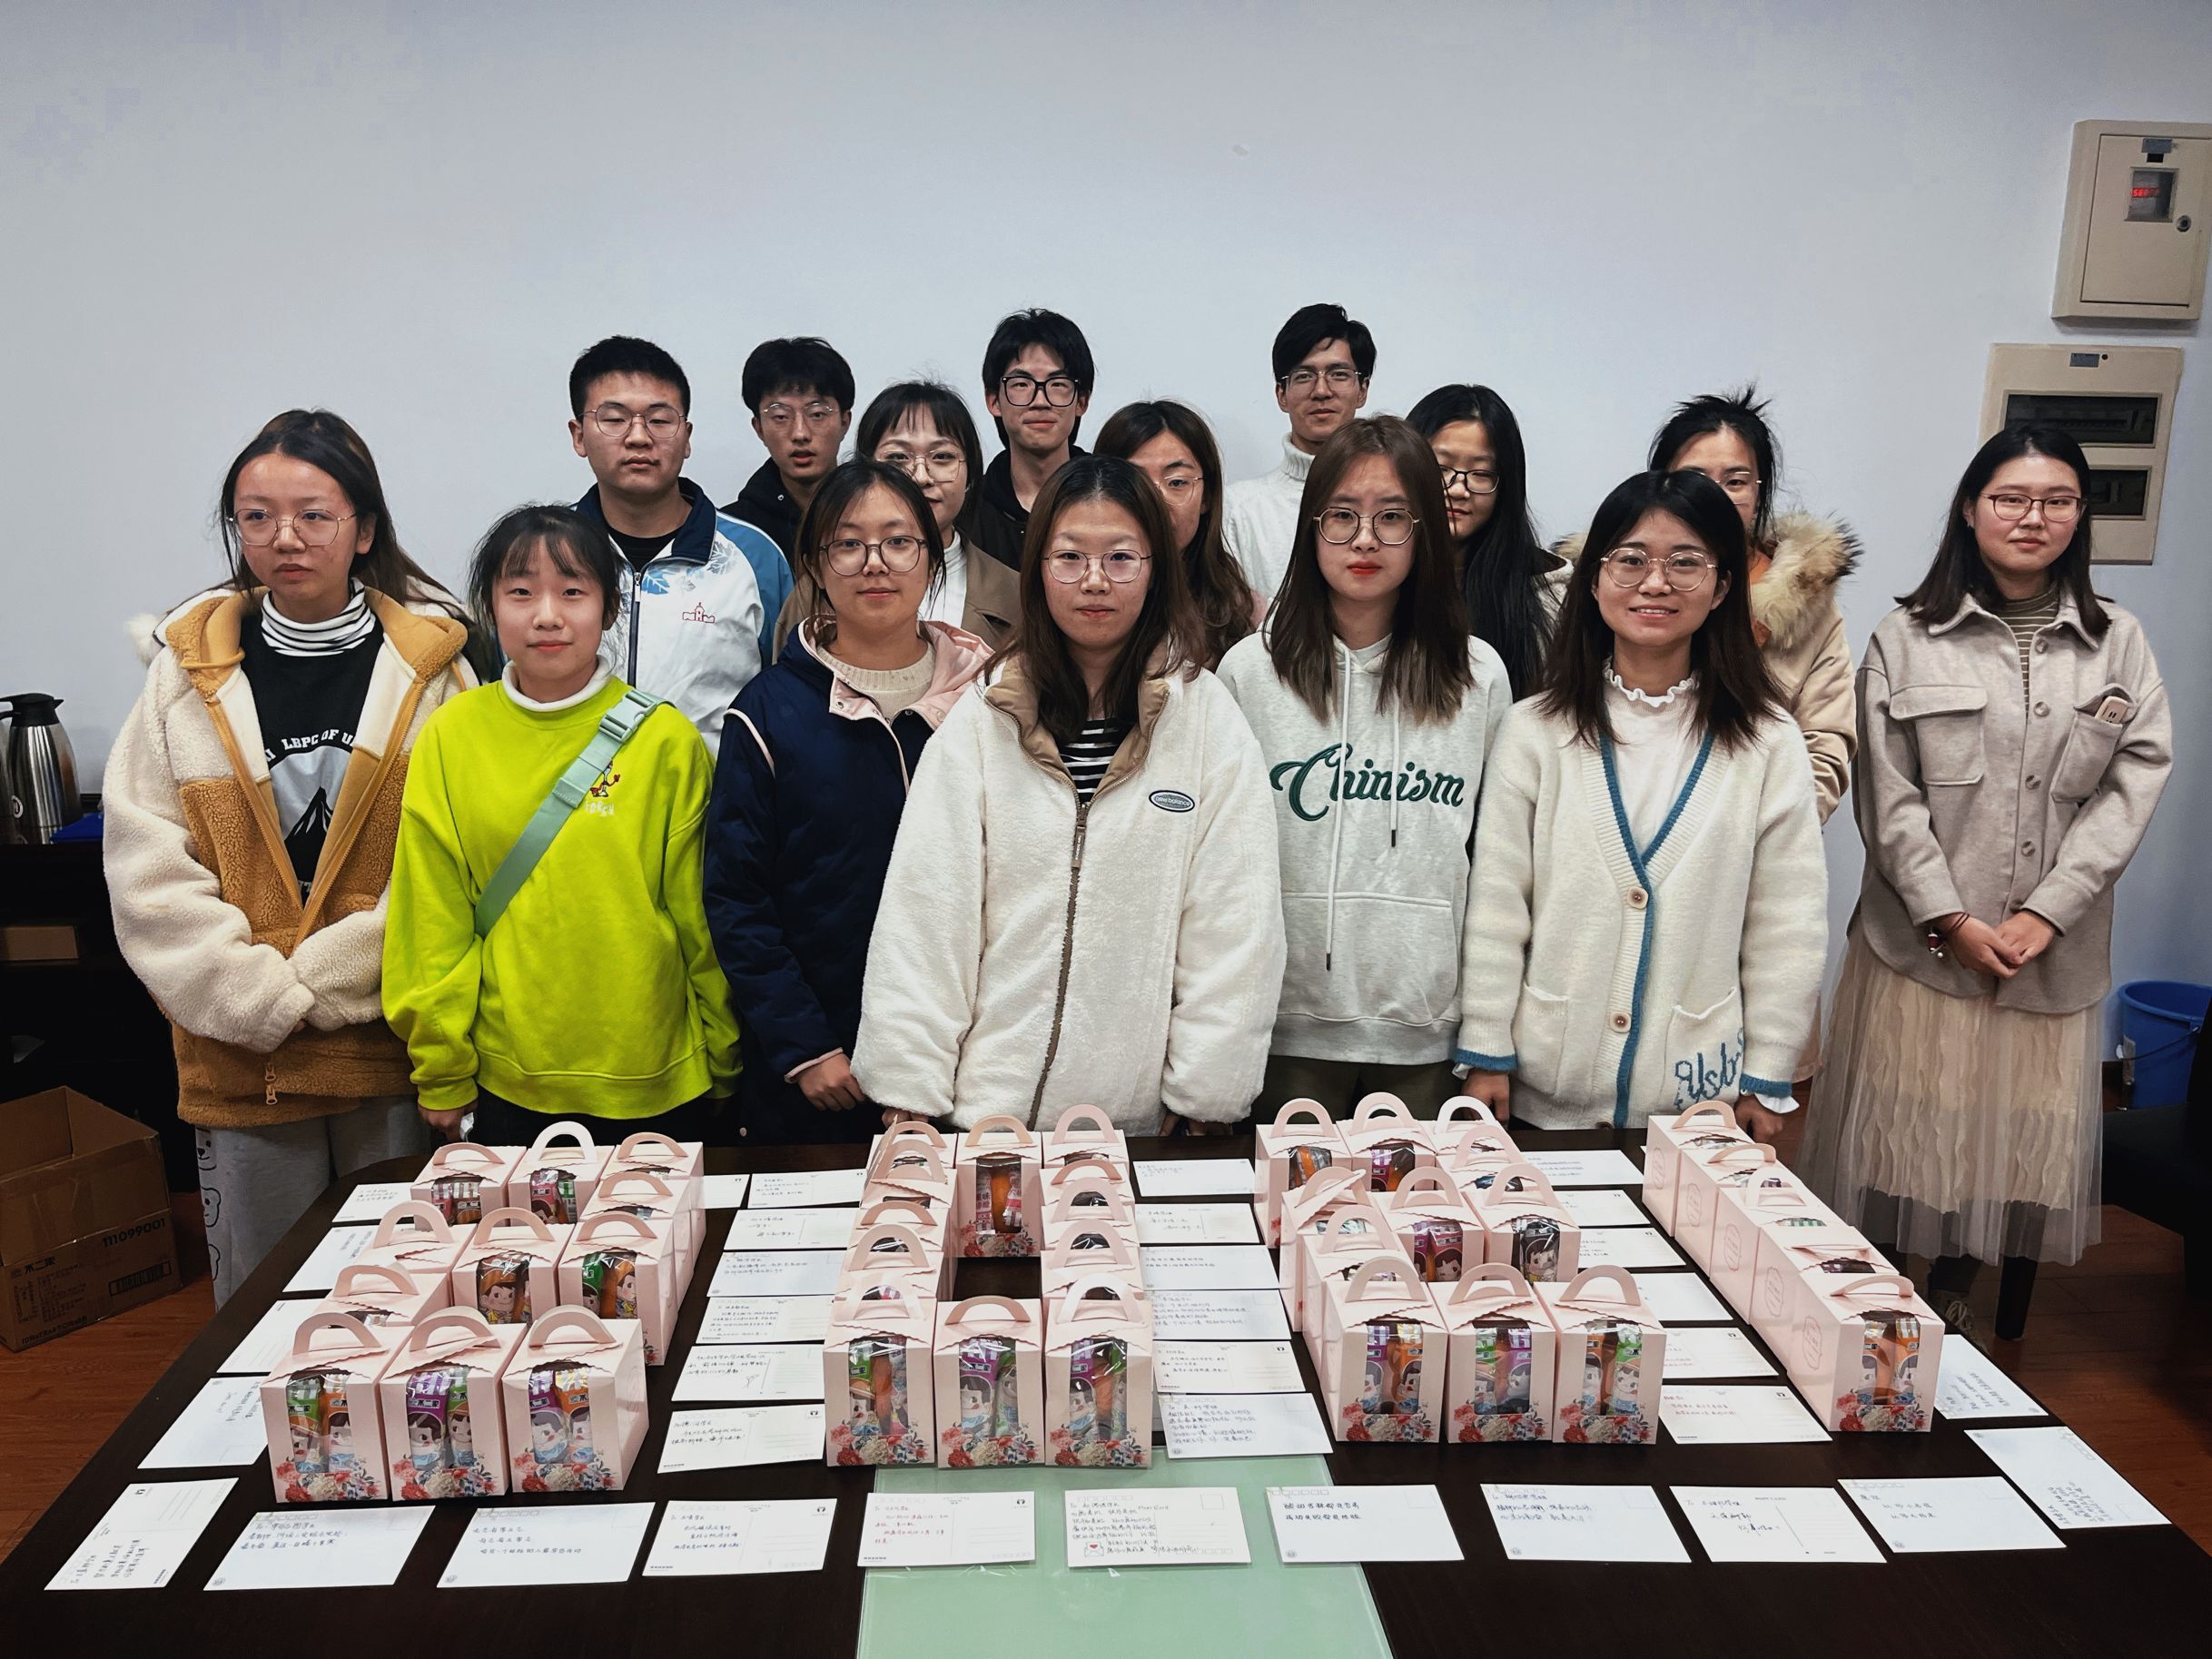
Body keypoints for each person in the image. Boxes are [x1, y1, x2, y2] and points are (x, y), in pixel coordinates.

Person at [1802, 426, 2171, 1336]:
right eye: (2011, 498)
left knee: (2004, 1138)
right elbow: (1888, 801)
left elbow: (2134, 783)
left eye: (2057, 500)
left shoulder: (2119, 642)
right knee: (1905, 1126)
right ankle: (1875, 1294)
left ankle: (1958, 1284)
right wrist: (1949, 915)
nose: (2033, 517)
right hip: (1922, 947)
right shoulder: (1906, 637)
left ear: (2079, 516)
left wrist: (2050, 911)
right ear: (1971, 509)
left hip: (2051, 952)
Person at [104, 410, 474, 1303]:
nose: (285, 537)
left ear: (365, 529)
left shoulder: (434, 670)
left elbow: (457, 863)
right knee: (263, 1306)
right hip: (243, 1052)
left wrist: (325, 982)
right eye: (258, 516)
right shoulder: (183, 673)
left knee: (403, 1297)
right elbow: (146, 860)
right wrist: (252, 995)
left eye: (314, 514)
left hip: (384, 1043)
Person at [853, 456, 1286, 1132]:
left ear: (1157, 567)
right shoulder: (985, 714)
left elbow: (1236, 929)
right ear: (1038, 568)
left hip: (1137, 1124)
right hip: (983, 1117)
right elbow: (927, 913)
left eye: (1121, 558)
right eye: (1069, 557)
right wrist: (911, 1085)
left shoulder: (1207, 721)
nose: (1094, 580)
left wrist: (1206, 1093)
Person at [1456, 469, 1827, 1135]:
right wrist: (1486, 1045)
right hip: (1544, 1087)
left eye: (1685, 563)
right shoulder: (1533, 729)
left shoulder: (1769, 741)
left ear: (1722, 587)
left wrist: (1769, 1072)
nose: (1655, 583)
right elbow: (1497, 903)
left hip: (1697, 1101)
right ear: (1594, 579)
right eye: (1630, 560)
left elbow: (1787, 923)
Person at [383, 505, 740, 1147]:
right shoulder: (452, 735)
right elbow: (431, 915)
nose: (547, 615)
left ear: (609, 609)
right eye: (521, 592)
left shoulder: (665, 739)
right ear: (490, 608)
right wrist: (441, 1066)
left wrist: (724, 1053)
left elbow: (699, 915)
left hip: (659, 1072)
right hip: (510, 1076)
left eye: (572, 592)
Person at [1215, 416, 1512, 1117]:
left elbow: (1500, 870)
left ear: (1426, 529)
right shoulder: (1249, 673)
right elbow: (1219, 871)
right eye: (1342, 515)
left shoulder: (1478, 676)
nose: (1366, 539)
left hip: (1426, 1031)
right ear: (1311, 527)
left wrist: (1489, 1033)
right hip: (1281, 1026)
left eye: (1393, 517)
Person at [706, 460, 993, 1145]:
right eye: (848, 543)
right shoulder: (767, 713)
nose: (875, 563)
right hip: (824, 1069)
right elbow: (737, 897)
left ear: (932, 556)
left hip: (969, 1057)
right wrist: (804, 1045)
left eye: (899, 541)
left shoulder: (989, 698)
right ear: (815, 562)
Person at [1560, 388, 1858, 823]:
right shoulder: (1612, 586)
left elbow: (1825, 743)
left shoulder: (1808, 602)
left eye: (1735, 481)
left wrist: (1764, 836)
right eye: (1695, 477)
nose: (1714, 496)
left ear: (1760, 491)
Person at [565, 334, 792, 755]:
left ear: (686, 437)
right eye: (614, 419)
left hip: (711, 796)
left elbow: (789, 701)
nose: (638, 437)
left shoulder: (755, 558)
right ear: (579, 435)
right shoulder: (544, 556)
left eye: (659, 420)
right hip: (566, 795)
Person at [774, 380, 1019, 653]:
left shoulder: (1014, 594)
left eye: (942, 456)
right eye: (898, 457)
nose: (921, 477)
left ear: (970, 474)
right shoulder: (814, 593)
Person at [1405, 383, 1570, 697]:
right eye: (1440, 468)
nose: (1458, 489)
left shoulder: (1549, 601)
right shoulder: (1373, 578)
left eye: (1481, 474)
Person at [1222, 302, 1375, 602]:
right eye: (1304, 376)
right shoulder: (1238, 510)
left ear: (1363, 389)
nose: (1321, 391)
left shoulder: (1390, 500)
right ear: (1282, 394)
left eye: (1339, 374)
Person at [1094, 400, 1260, 668]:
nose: (1157, 502)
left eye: (1177, 482)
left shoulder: (1246, 615)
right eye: (1135, 483)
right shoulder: (1082, 601)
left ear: (1207, 497)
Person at [971, 308, 1094, 570]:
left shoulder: (1111, 498)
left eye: (1058, 384)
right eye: (1021, 384)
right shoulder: (967, 513)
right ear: (994, 401)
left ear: (1081, 401)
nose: (1040, 401)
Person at [720, 336, 855, 557]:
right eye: (781, 416)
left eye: (817, 414)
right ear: (759, 428)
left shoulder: (875, 516)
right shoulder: (731, 534)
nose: (800, 434)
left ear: (844, 422)